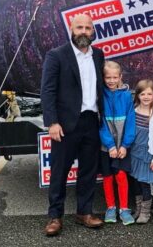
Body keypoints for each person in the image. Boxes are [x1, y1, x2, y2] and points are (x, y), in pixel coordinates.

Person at [40, 14, 105, 236]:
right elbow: (47, 91)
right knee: (59, 172)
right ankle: (55, 216)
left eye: (88, 28)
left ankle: (84, 212)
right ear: (71, 28)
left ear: (93, 30)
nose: (84, 31)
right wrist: (52, 122)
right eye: (79, 27)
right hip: (66, 124)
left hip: (91, 121)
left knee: (88, 171)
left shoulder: (98, 55)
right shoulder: (57, 55)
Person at [99, 61, 136, 225]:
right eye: (108, 77)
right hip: (106, 147)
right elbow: (100, 123)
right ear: (103, 78)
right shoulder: (99, 96)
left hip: (122, 147)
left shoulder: (127, 96)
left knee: (121, 175)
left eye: (115, 77)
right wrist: (110, 145)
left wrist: (124, 145)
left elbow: (131, 122)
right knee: (107, 177)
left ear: (120, 77)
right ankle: (111, 207)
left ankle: (124, 208)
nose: (111, 81)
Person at [128, 79, 153, 224]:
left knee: (144, 183)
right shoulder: (133, 111)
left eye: (149, 94)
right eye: (143, 94)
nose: (146, 97)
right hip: (133, 153)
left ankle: (145, 212)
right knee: (135, 182)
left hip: (147, 154)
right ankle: (138, 209)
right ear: (137, 95)